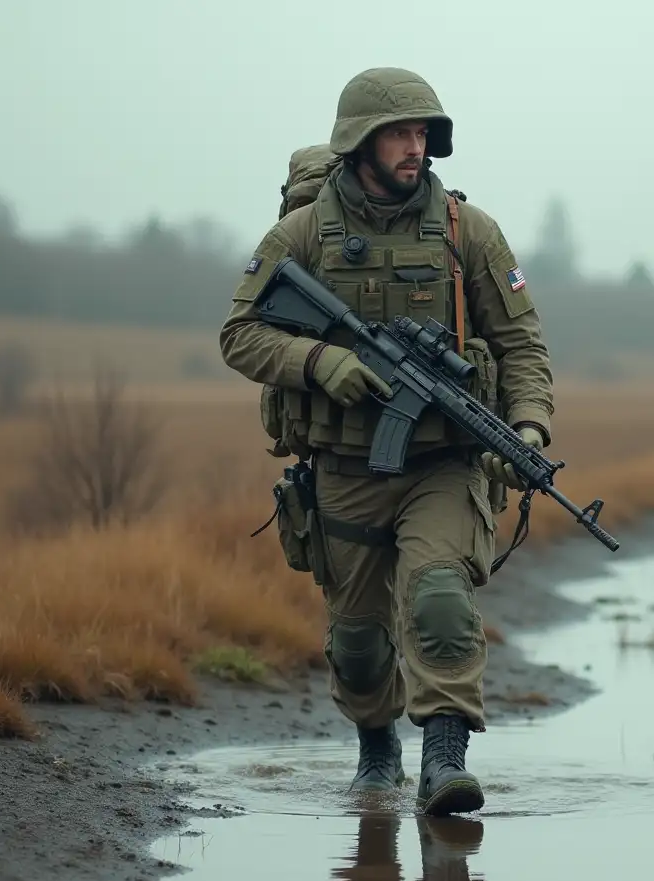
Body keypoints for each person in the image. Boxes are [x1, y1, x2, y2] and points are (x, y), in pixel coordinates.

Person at [219, 67, 555, 816]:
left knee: (439, 602)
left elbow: (523, 346)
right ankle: (378, 752)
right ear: (359, 142)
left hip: (446, 464)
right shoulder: (303, 234)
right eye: (400, 133)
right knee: (360, 645)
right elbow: (240, 334)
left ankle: (444, 761)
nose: (416, 148)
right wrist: (319, 361)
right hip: (345, 466)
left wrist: (526, 428)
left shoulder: (472, 233)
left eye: (423, 134)